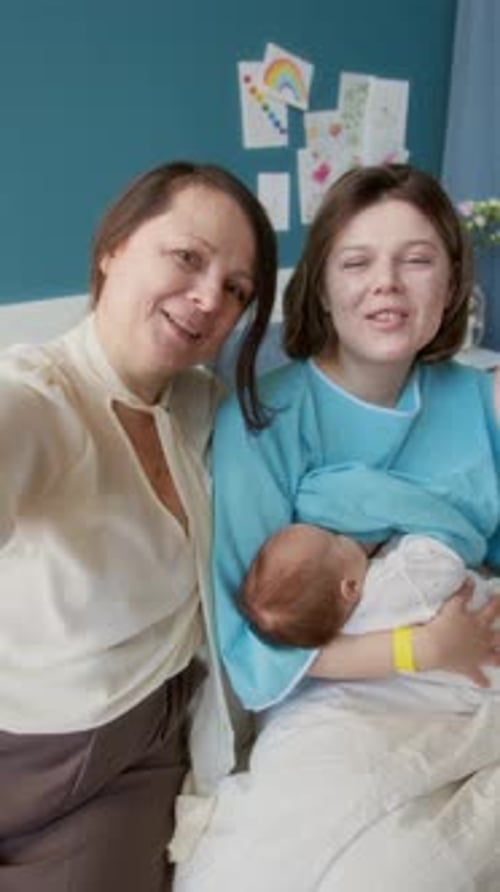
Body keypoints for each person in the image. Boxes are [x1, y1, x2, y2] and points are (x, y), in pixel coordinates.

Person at [174, 164, 500, 891]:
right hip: (342, 696)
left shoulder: (480, 401)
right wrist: (421, 648)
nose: (387, 284)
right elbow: (254, 645)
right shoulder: (263, 418)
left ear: (452, 284)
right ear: (322, 285)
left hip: (474, 678)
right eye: (357, 263)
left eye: (417, 260)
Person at [0, 160, 277, 892]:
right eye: (187, 257)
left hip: (134, 754)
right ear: (113, 247)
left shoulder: (200, 406)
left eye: (236, 289)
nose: (209, 298)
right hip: (22, 742)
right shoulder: (38, 398)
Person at [240, 523, 499, 670]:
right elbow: (448, 567)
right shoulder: (391, 586)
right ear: (350, 587)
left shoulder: (342, 627)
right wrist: (406, 536)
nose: (343, 534)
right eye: (335, 539)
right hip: (485, 630)